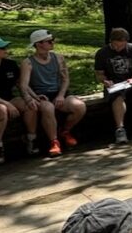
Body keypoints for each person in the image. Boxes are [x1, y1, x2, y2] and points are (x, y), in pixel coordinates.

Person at [17, 30, 87, 158]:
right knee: (48, 108)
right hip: (41, 95)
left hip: (59, 93)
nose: (52, 43)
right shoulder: (28, 63)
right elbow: (24, 85)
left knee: (79, 106)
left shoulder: (58, 58)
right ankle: (54, 142)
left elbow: (65, 79)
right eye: (49, 41)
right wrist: (32, 97)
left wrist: (61, 95)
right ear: (39, 44)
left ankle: (65, 131)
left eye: (52, 40)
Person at [0, 36, 28, 164]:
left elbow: (20, 84)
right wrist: (6, 104)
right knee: (2, 111)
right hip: (2, 103)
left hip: (9, 98)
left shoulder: (10, 64)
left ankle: (31, 139)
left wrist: (31, 97)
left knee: (29, 106)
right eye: (2, 48)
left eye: (6, 47)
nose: (6, 50)